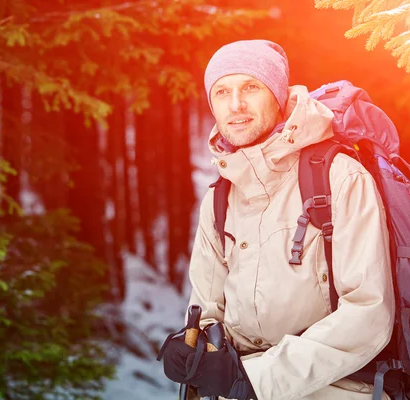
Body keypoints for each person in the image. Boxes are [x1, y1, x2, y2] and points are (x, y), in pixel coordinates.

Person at [159, 39, 395, 400]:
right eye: (221, 92)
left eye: (250, 87)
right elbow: (208, 311)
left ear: (279, 96)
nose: (235, 104)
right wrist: (190, 348)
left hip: (340, 390)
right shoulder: (220, 196)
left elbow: (369, 313)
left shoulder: (338, 177)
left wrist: (254, 379)